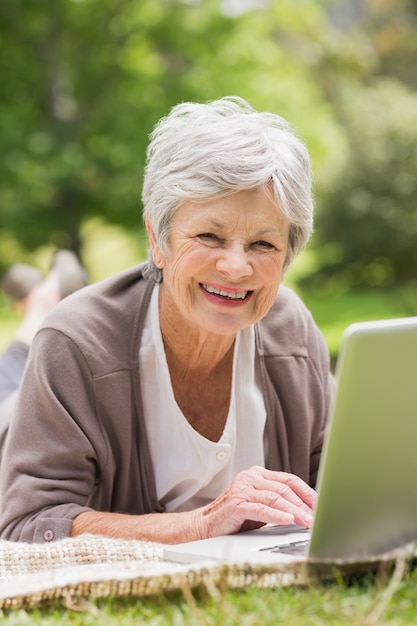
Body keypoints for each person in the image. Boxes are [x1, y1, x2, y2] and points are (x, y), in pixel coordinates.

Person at [0, 97, 334, 544]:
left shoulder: (291, 330)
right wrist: (200, 523)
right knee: (13, 383)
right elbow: (27, 525)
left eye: (263, 245)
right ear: (158, 240)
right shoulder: (73, 342)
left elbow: (342, 481)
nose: (236, 268)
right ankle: (36, 315)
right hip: (16, 416)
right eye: (209, 236)